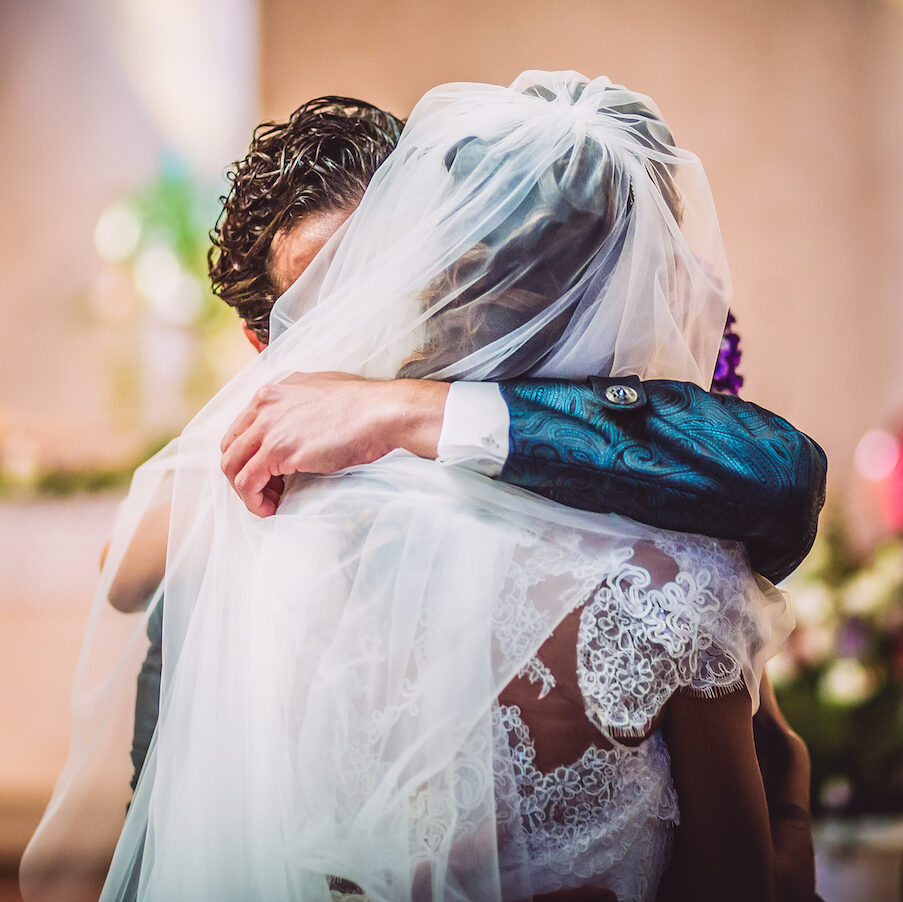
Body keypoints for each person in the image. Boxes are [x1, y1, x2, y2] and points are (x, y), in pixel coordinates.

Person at [23, 72, 818, 901]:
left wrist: (409, 410)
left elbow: (771, 482)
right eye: (331, 295)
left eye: (394, 261)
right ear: (268, 341)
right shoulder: (262, 495)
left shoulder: (585, 472)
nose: (375, 304)